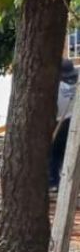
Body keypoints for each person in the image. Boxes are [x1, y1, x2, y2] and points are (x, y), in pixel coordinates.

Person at [50, 58, 77, 189]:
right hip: (72, 121)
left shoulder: (56, 86)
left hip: (61, 122)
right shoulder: (76, 84)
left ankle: (53, 181)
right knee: (67, 153)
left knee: (55, 153)